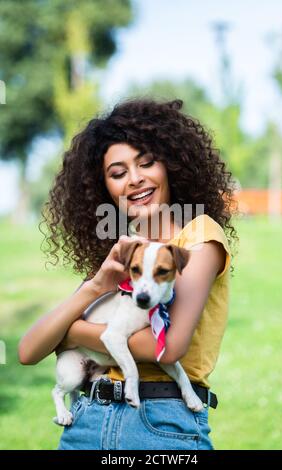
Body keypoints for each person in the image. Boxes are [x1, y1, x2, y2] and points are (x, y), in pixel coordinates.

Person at [18, 98, 238, 450]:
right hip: (85, 421)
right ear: (104, 187)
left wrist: (72, 330)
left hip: (161, 426)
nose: (134, 180)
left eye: (146, 163)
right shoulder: (121, 256)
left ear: (170, 165)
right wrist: (94, 288)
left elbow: (165, 348)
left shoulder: (200, 237)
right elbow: (29, 350)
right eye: (117, 173)